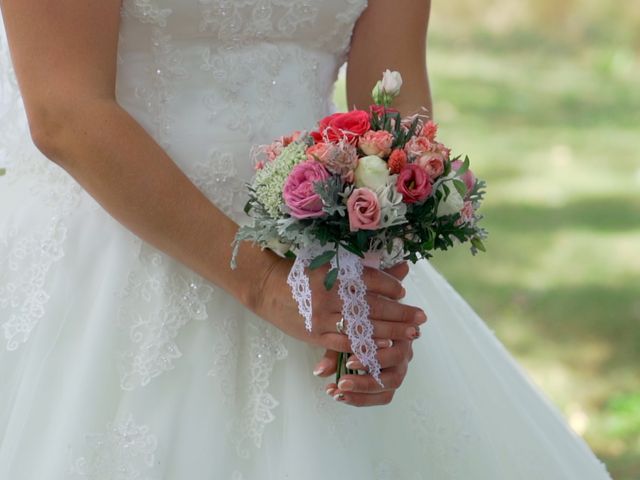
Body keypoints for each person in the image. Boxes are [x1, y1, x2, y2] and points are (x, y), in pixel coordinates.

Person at [0, 1, 612, 478]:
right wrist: (264, 281)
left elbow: (393, 117)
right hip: (110, 260)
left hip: (324, 265)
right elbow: (65, 111)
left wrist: (374, 295)